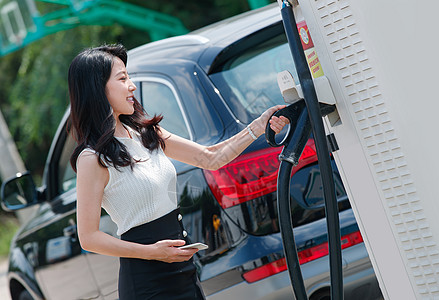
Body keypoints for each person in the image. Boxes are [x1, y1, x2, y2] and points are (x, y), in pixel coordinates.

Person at [68, 44, 289, 300]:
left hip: (183, 270)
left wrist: (259, 126)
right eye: (122, 78)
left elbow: (210, 157)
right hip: (147, 281)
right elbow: (89, 238)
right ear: (98, 89)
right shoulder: (93, 158)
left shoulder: (146, 134)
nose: (132, 86)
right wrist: (153, 252)